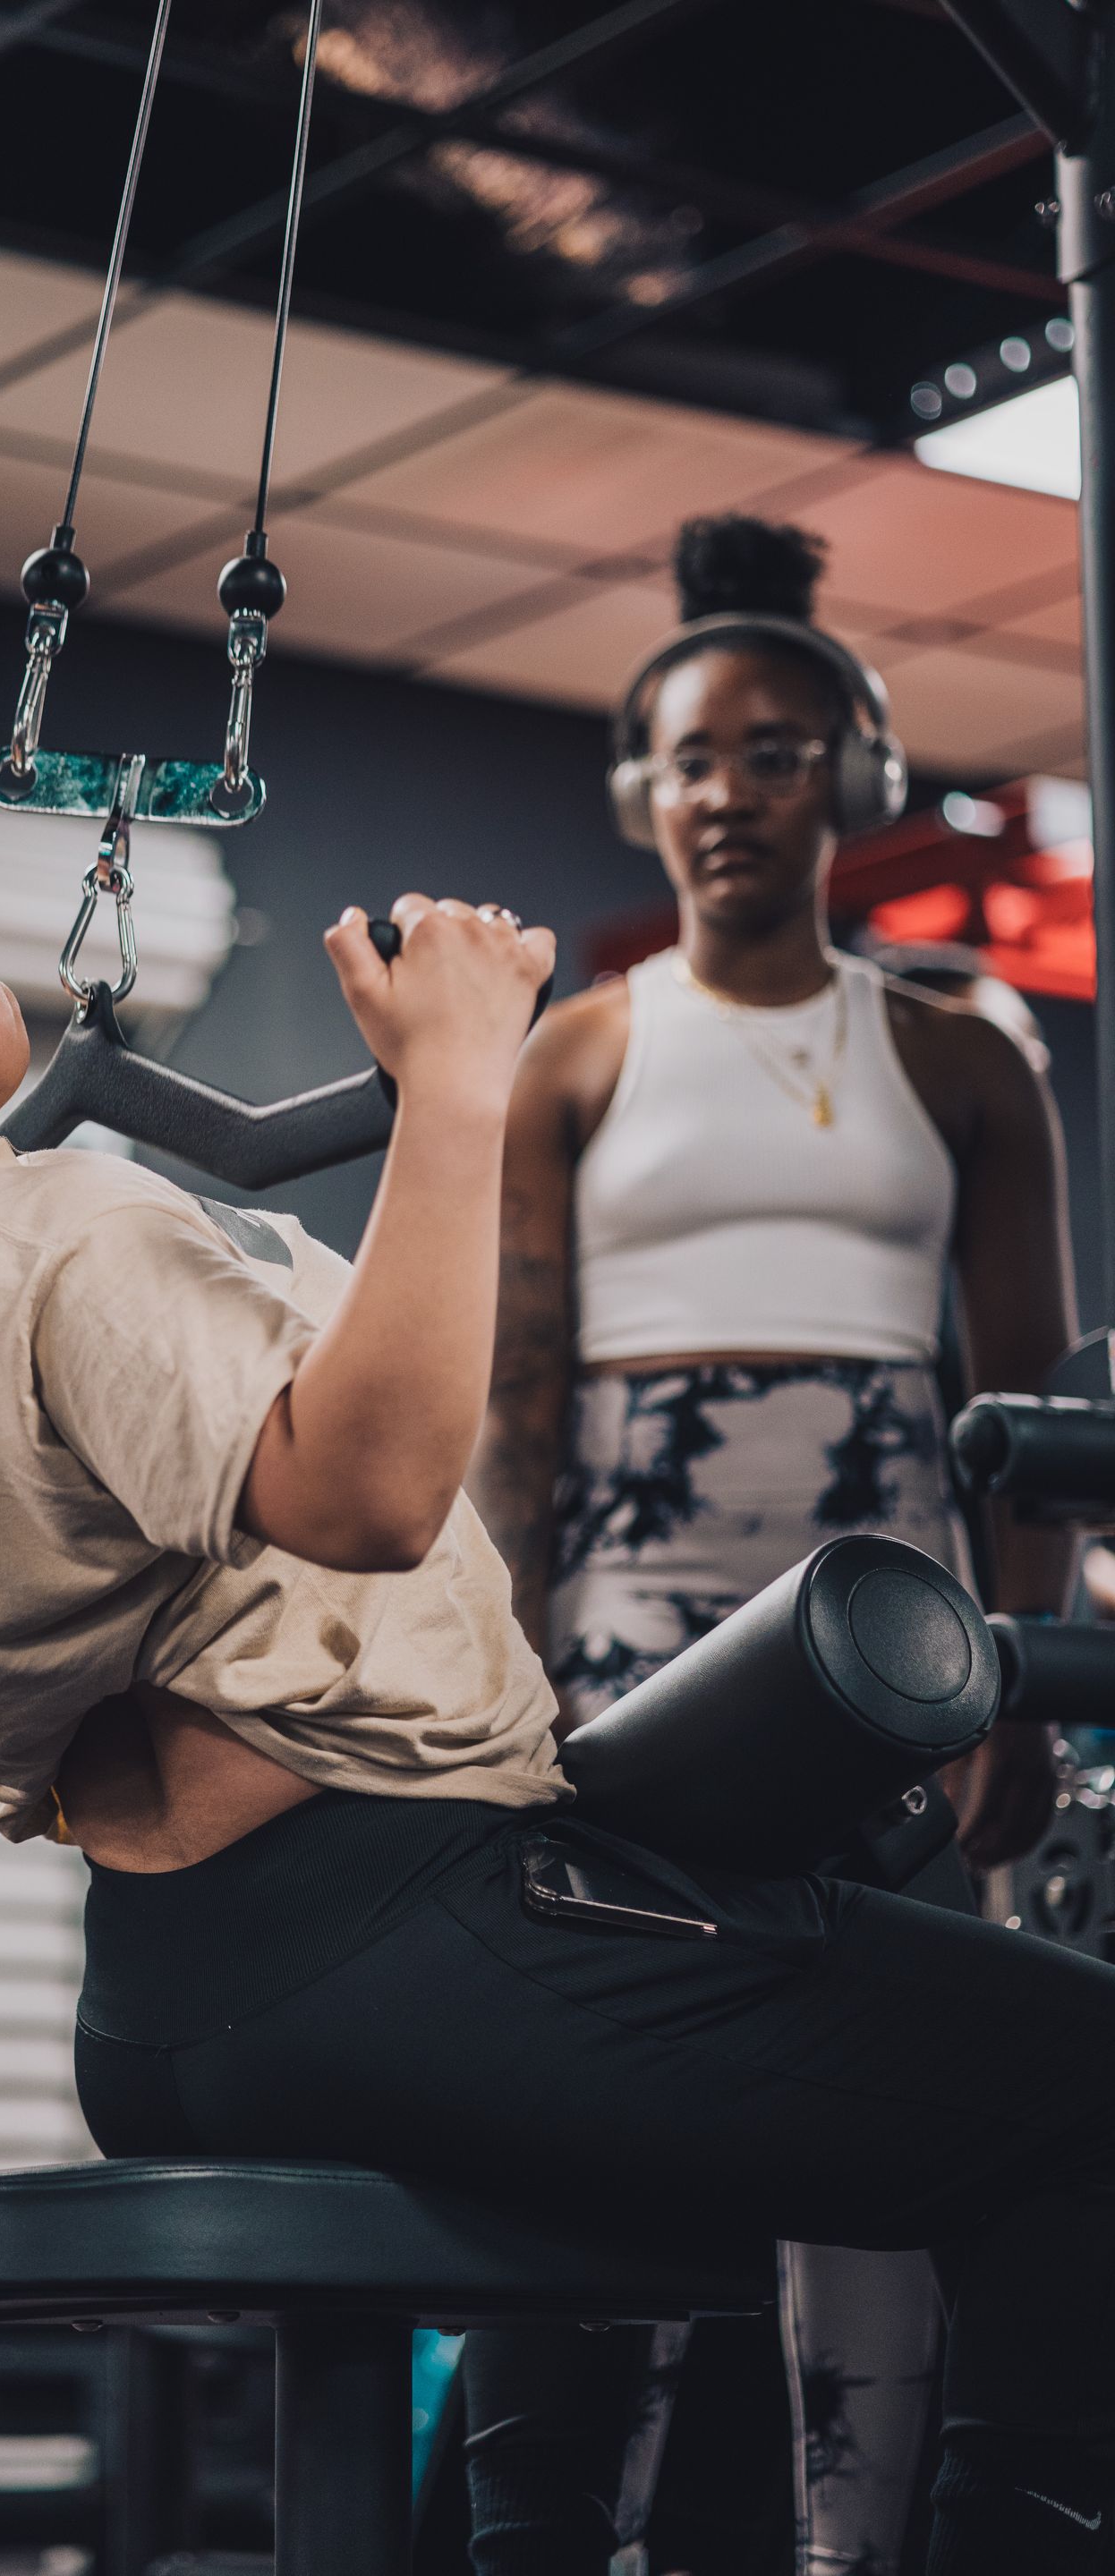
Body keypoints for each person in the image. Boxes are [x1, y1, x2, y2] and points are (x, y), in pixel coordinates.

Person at [0, 797, 1115, 2576]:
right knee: (1082, 2081)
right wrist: (462, 1080)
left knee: (630, 2139)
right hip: (399, 1941)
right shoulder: (53, 1232)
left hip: (169, 2008)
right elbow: (363, 1488)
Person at [467, 516, 1079, 2576]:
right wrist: (482, 1680)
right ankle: (580, 2536)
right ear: (650, 792)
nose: (733, 793)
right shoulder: (580, 1044)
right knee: (626, 2099)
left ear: (858, 783)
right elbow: (518, 1409)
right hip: (631, 1643)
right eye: (695, 759)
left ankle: (859, 2551)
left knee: (895, 2113)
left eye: (779, 752)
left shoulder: (963, 1055)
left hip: (890, 1643)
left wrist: (1027, 1682)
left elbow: (1028, 1407)